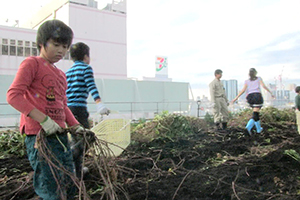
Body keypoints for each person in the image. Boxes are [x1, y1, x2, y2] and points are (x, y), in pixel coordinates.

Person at [6, 19, 84, 200]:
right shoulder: (31, 64)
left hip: (60, 135)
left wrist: (75, 126)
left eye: (65, 47)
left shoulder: (61, 75)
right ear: (41, 43)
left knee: (68, 180)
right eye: (56, 45)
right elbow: (13, 96)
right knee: (50, 185)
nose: (61, 51)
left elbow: (63, 105)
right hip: (40, 138)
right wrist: (44, 120)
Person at [66, 42, 109, 178]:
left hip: (67, 110)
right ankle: (69, 157)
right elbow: (92, 87)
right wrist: (99, 103)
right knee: (87, 138)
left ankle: (77, 172)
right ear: (86, 56)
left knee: (76, 139)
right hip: (79, 109)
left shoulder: (68, 72)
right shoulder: (86, 68)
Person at [231, 68, 274, 135]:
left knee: (255, 113)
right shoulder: (259, 79)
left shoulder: (247, 81)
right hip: (257, 96)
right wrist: (271, 92)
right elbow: (263, 86)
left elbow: (243, 90)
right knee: (255, 113)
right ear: (255, 73)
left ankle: (257, 128)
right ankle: (252, 128)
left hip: (250, 97)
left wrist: (235, 98)